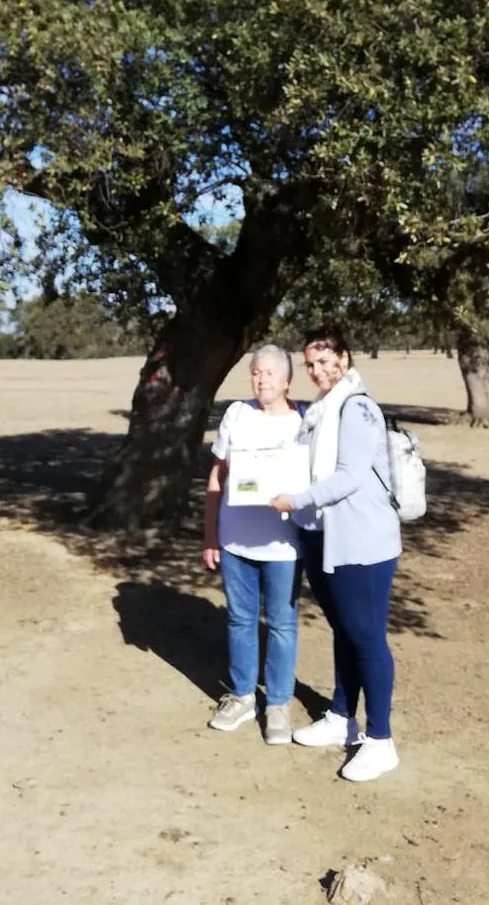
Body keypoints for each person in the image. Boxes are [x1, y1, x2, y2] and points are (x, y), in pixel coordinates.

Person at [270, 323, 402, 782]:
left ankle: (380, 740)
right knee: (344, 631)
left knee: (365, 636)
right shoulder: (320, 411)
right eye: (309, 364)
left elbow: (349, 476)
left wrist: (295, 501)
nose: (317, 370)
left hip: (362, 542)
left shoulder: (357, 407)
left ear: (344, 359)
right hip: (323, 537)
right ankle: (342, 717)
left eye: (325, 361)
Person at [203, 344, 308, 745]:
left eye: (269, 373)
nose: (261, 380)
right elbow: (218, 476)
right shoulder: (237, 414)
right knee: (239, 620)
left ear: (287, 380)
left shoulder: (303, 422)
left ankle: (278, 704)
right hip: (234, 541)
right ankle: (243, 696)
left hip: (284, 547)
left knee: (282, 624)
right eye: (255, 373)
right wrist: (211, 534)